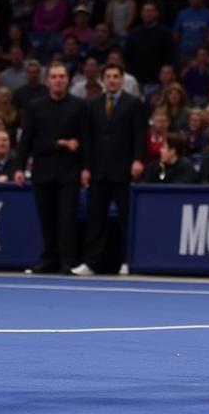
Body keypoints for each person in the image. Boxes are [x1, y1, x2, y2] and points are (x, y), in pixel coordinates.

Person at [14, 62, 90, 275]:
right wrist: (19, 167)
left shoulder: (79, 106)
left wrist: (86, 168)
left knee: (67, 217)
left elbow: (87, 140)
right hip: (43, 171)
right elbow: (27, 141)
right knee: (46, 218)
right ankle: (48, 259)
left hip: (70, 171)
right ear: (48, 81)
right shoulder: (35, 106)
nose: (58, 80)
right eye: (54, 77)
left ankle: (68, 261)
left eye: (62, 76)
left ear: (67, 80)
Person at [72, 62, 145, 277]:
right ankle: (91, 263)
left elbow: (139, 135)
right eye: (109, 77)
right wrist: (85, 167)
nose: (112, 80)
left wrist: (138, 160)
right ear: (103, 80)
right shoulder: (92, 105)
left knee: (125, 218)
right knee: (96, 220)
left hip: (123, 169)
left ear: (122, 80)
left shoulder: (134, 104)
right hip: (98, 170)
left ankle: (127, 261)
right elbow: (87, 138)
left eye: (116, 76)